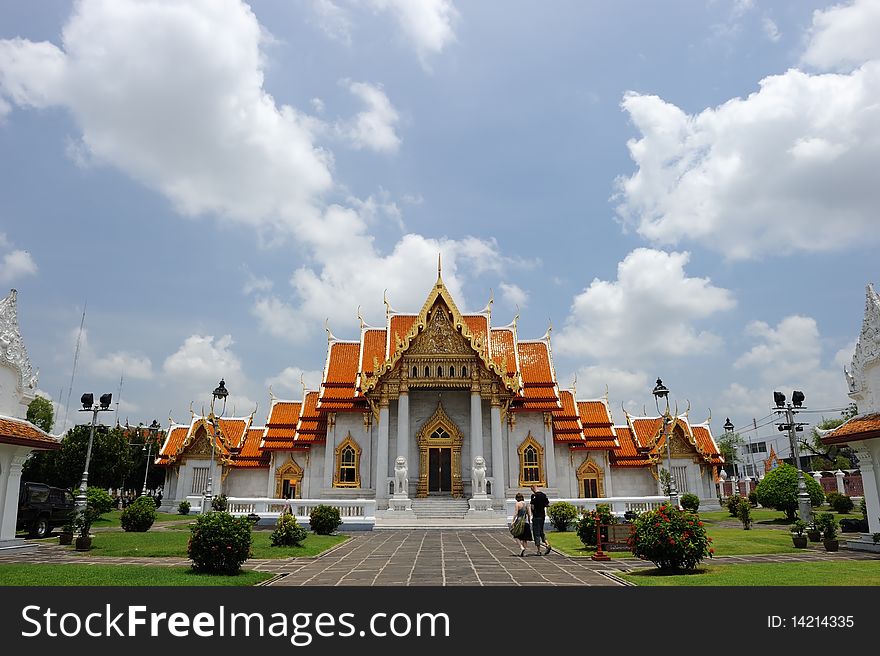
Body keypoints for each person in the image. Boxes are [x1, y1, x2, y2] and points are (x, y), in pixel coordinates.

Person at [529, 484, 552, 555]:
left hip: (536, 516)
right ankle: (547, 544)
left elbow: (532, 507)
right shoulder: (543, 495)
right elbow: (547, 504)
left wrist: (532, 513)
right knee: (541, 531)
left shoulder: (533, 496)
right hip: (542, 515)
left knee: (536, 533)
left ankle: (538, 550)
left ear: (533, 488)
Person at [511, 492, 533, 557]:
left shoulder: (517, 504)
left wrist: (513, 521)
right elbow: (529, 514)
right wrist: (529, 522)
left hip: (519, 522)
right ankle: (524, 551)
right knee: (525, 539)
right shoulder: (527, 504)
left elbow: (516, 513)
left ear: (517, 498)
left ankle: (521, 547)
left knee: (516, 535)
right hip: (526, 522)